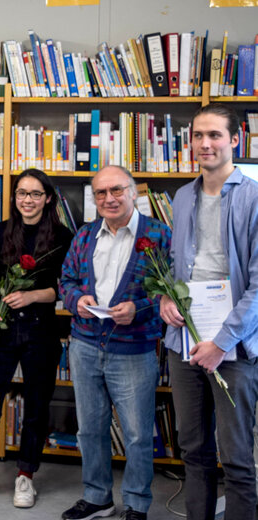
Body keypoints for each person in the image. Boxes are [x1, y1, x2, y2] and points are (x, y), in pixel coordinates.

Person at [159, 103, 258, 520]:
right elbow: (176, 265)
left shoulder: (254, 197)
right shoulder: (183, 197)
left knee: (236, 457)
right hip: (185, 340)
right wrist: (165, 299)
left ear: (235, 140)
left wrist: (221, 343)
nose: (204, 143)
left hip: (233, 345)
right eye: (198, 135)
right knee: (193, 450)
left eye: (215, 135)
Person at [0, 169, 73, 508]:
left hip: (41, 328)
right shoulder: (0, 232)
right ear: (14, 197)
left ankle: (25, 476)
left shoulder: (62, 236)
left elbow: (63, 289)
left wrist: (33, 296)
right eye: (22, 193)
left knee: (36, 405)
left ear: (48, 198)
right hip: (2, 328)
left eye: (36, 194)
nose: (28, 200)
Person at [59, 165, 171, 520]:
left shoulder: (159, 234)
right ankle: (97, 497)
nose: (109, 199)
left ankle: (137, 503)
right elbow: (66, 280)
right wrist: (76, 299)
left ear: (133, 191)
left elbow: (172, 292)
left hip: (134, 348)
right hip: (85, 345)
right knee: (90, 429)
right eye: (100, 193)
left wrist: (138, 308)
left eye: (116, 190)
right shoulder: (85, 235)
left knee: (138, 434)